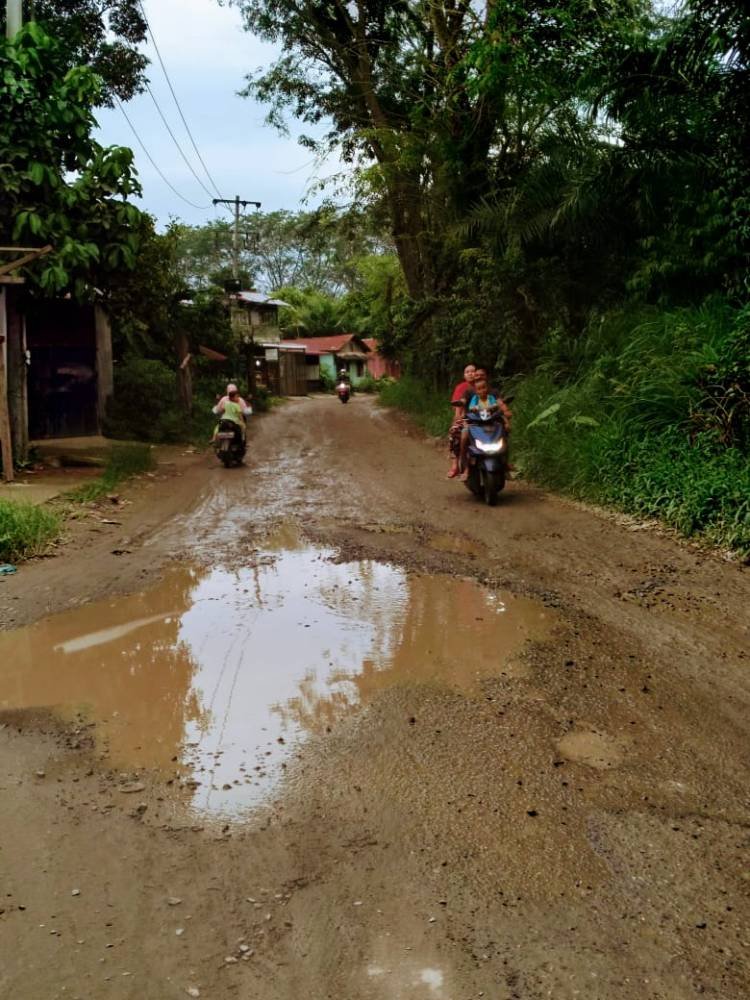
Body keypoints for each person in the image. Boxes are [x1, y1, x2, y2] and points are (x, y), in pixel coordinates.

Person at [458, 372, 511, 481]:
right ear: (476, 390)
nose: (482, 390)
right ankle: (466, 468)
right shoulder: (471, 395)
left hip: (491, 422)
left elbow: (500, 405)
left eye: (484, 388)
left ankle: (505, 463)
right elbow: (467, 405)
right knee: (463, 437)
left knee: (504, 435)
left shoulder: (492, 395)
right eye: (480, 389)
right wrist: (469, 408)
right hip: (474, 423)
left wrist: (504, 411)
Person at [447, 364, 476, 478]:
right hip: (465, 418)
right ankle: (455, 465)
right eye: (467, 372)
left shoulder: (482, 387)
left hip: (482, 418)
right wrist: (457, 419)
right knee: (454, 434)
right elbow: (458, 406)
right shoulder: (461, 387)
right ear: (464, 375)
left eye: (473, 371)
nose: (470, 374)